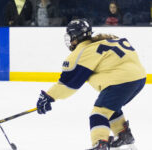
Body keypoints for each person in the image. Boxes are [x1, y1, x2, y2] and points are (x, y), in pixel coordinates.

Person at [36, 19, 146, 150]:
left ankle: (100, 144)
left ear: (76, 37)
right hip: (139, 78)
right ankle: (123, 134)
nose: (70, 41)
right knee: (110, 106)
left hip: (121, 81)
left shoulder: (82, 52)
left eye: (71, 37)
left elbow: (68, 84)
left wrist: (48, 96)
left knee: (99, 113)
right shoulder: (102, 41)